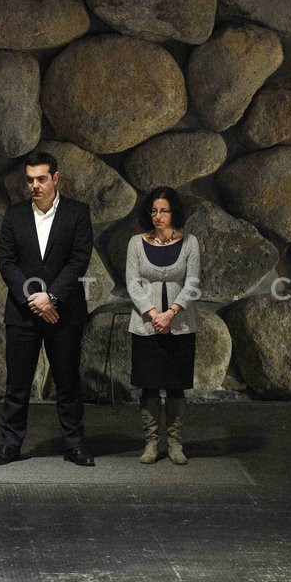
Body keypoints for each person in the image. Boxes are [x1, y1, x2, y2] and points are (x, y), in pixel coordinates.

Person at [0, 151, 95, 467]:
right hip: (23, 312)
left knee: (68, 381)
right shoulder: (15, 215)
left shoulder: (77, 213)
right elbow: (6, 261)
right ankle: (10, 445)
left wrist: (52, 297)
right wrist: (34, 299)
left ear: (55, 178)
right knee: (17, 383)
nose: (35, 185)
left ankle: (74, 445)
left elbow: (79, 259)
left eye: (41, 179)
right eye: (30, 180)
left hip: (64, 312)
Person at [125, 187, 201, 465]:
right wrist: (154, 313)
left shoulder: (190, 242)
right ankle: (151, 442)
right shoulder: (136, 243)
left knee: (176, 385)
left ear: (174, 212)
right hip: (147, 324)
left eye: (164, 211)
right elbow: (132, 283)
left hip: (180, 324)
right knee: (149, 384)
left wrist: (170, 314)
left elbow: (192, 283)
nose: (158, 216)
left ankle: (175, 443)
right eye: (154, 211)